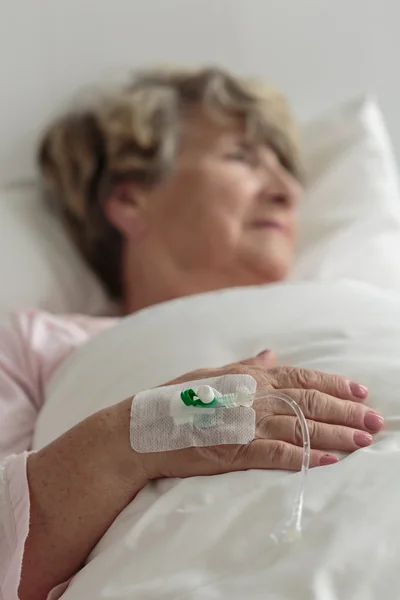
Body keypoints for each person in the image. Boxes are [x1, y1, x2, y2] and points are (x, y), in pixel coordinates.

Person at [0, 67, 384, 600]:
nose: (286, 191)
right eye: (241, 158)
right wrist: (148, 429)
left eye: (286, 170)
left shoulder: (370, 306)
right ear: (130, 201)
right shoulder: (35, 344)